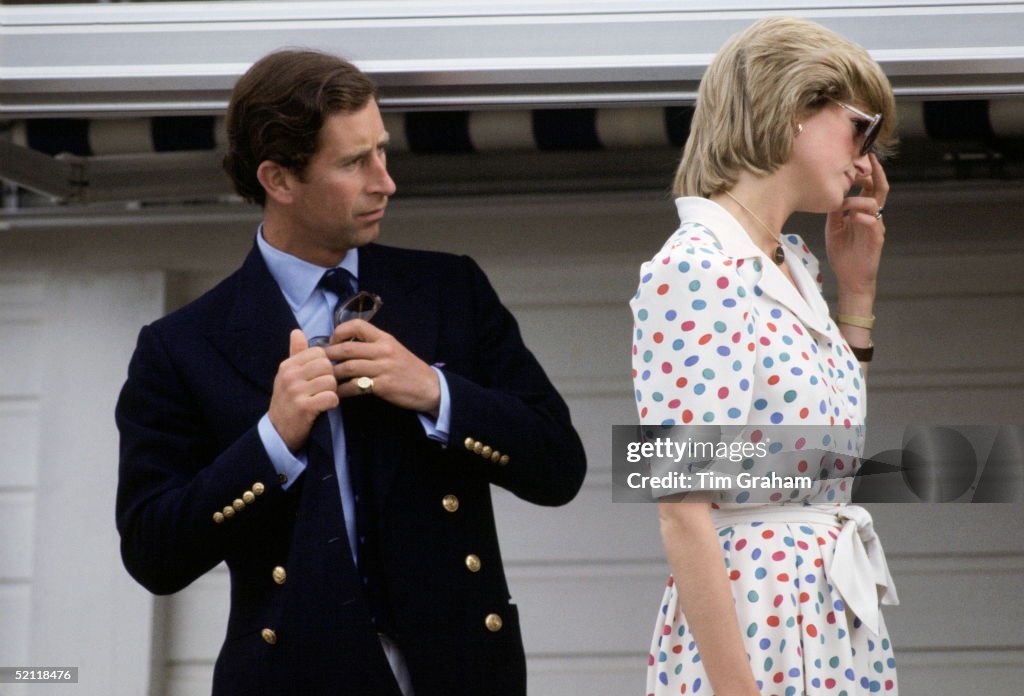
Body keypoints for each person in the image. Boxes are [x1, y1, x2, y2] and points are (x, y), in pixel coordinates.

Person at [115, 49, 586, 696]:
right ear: (279, 180)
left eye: (382, 152)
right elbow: (152, 553)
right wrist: (271, 442)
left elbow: (561, 466)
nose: (385, 181)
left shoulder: (450, 289)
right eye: (353, 162)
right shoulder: (181, 346)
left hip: (460, 672)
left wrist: (436, 394)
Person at [630, 17, 900, 696]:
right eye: (860, 127)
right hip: (758, 624)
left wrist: (857, 291)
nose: (868, 160)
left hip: (822, 616)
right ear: (793, 107)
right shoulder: (698, 269)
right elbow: (680, 507)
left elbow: (829, 457)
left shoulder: (790, 263)